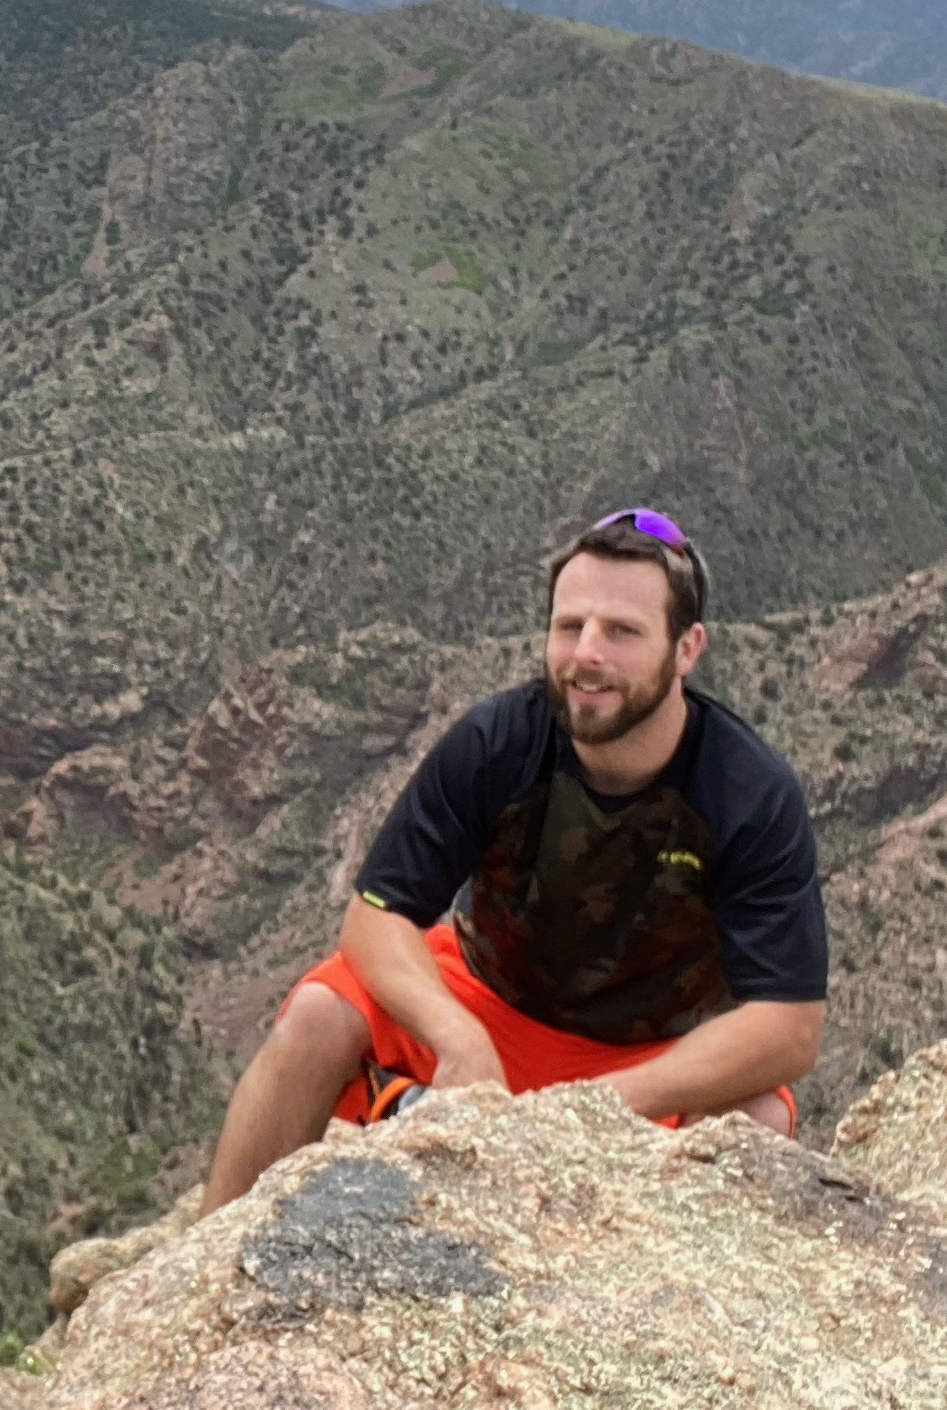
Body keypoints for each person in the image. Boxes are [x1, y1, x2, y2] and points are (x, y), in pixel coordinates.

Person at [204, 507, 827, 1210]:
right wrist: (458, 1039)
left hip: (650, 1052)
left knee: (759, 1120)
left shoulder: (747, 792)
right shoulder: (498, 742)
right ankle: (209, 1259)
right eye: (570, 626)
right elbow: (375, 918)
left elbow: (790, 1027)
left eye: (622, 632)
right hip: (488, 1001)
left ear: (687, 649)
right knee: (318, 1014)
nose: (586, 654)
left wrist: (592, 1106)